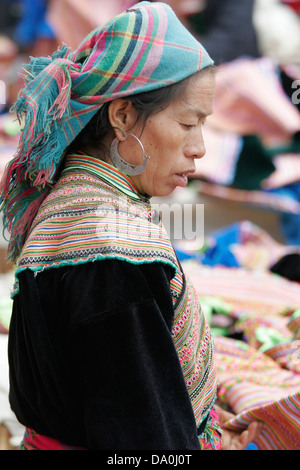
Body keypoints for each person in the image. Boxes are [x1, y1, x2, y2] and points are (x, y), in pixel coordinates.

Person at [0, 1, 261, 450]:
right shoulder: (112, 252)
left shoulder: (74, 202)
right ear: (121, 116)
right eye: (187, 123)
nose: (200, 148)